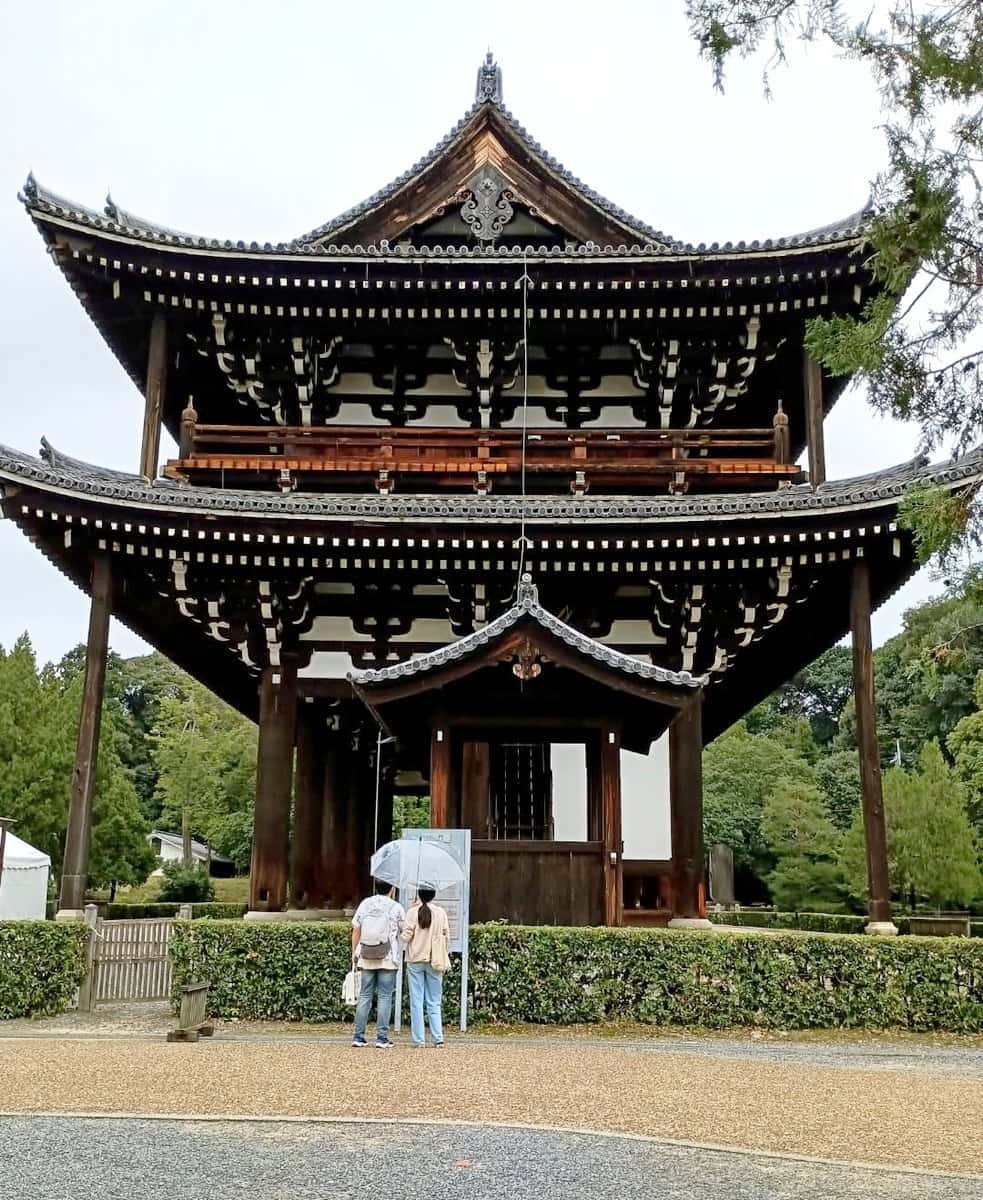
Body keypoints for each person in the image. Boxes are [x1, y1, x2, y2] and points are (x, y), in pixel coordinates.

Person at [351, 877, 404, 1048]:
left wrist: (354, 952)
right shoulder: (395, 907)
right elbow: (404, 929)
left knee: (365, 995)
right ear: (392, 888)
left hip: (366, 954)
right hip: (388, 957)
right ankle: (381, 1038)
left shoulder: (365, 904)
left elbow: (356, 929)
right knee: (385, 996)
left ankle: (358, 1036)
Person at [400, 882, 450, 1047]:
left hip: (415, 959)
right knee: (434, 1000)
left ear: (419, 895)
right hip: (435, 959)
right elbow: (446, 936)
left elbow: (405, 936)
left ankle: (419, 1039)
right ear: (433, 895)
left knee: (416, 1000)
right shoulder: (441, 913)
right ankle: (438, 1038)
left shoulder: (413, 912)